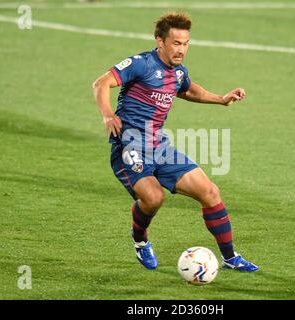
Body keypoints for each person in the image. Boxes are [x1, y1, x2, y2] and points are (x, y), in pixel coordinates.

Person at [92, 12, 259, 272]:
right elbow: (101, 83)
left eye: (186, 43)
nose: (181, 49)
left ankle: (230, 257)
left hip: (159, 146)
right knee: (154, 198)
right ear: (160, 40)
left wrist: (221, 99)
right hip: (130, 146)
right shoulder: (141, 64)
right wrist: (107, 114)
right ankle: (140, 240)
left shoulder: (178, 72)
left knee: (210, 192)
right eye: (176, 43)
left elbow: (190, 90)